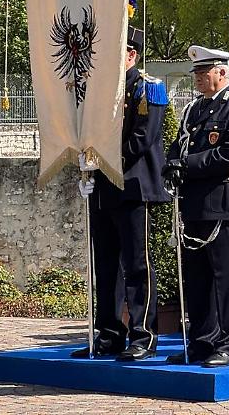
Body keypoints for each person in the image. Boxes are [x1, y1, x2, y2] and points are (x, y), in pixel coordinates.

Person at [71, 25, 169, 361]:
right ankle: (110, 333)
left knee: (137, 263)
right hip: (105, 188)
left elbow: (142, 138)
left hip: (132, 185)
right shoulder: (100, 91)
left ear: (131, 54)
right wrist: (88, 167)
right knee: (107, 265)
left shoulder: (147, 89)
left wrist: (102, 161)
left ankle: (144, 333)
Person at [163, 46, 229, 367]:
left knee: (226, 278)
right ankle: (202, 341)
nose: (199, 79)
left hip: (223, 204)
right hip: (195, 204)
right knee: (198, 278)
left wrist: (185, 164)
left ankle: (228, 343)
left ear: (222, 73)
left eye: (205, 73)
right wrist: (171, 163)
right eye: (197, 74)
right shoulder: (192, 109)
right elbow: (180, 144)